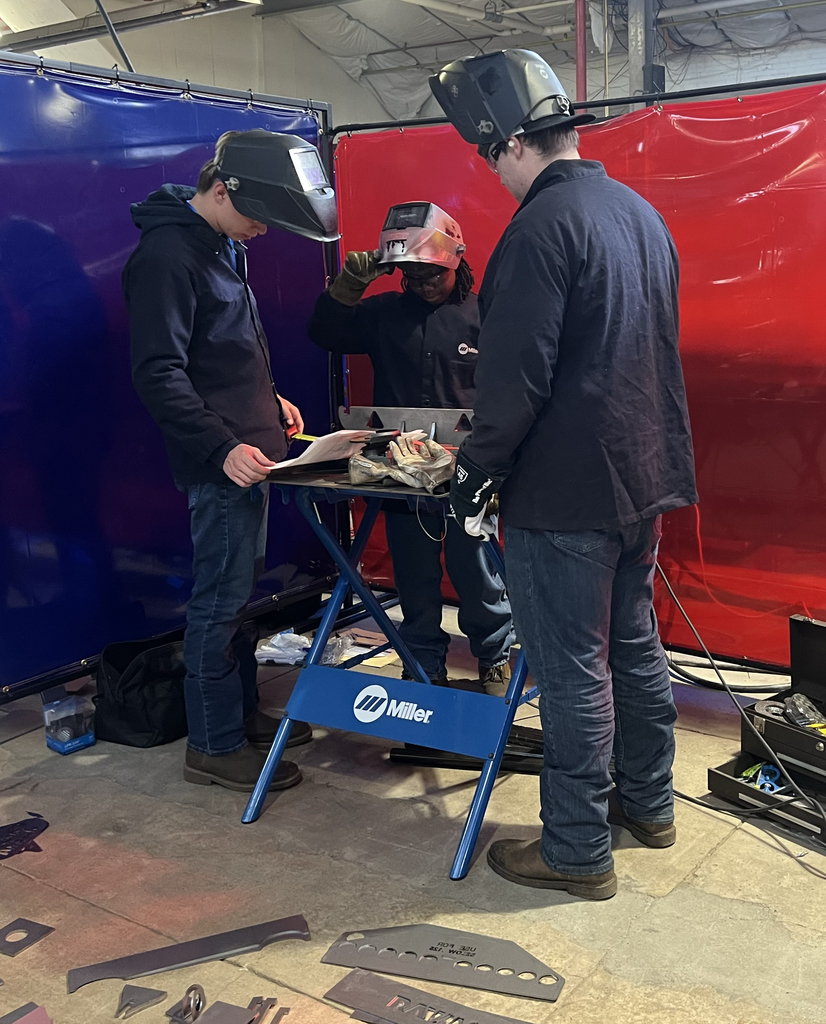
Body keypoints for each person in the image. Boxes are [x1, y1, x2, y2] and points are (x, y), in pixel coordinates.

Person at [432, 50, 698, 899]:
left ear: (512, 141)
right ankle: (647, 807)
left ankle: (578, 851)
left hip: (564, 493)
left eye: (488, 157)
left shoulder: (540, 229)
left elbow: (515, 381)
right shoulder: (639, 214)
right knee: (634, 647)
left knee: (575, 669)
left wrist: (473, 473)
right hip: (639, 477)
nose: (493, 174)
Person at [123, 129, 338, 792]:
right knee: (219, 601)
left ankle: (240, 717)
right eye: (257, 218)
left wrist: (268, 402)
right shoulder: (166, 256)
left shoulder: (221, 244)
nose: (263, 232)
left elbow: (218, 349)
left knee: (239, 598)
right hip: (223, 465)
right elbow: (159, 374)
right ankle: (213, 745)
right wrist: (223, 446)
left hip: (253, 452)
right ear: (220, 191)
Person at [308, 203, 515, 694]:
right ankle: (422, 666)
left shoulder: (488, 315)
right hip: (402, 471)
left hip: (472, 472)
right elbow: (324, 334)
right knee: (415, 576)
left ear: (455, 262)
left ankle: (493, 659)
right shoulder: (382, 315)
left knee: (478, 571)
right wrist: (349, 287)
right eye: (413, 274)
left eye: (432, 274)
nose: (423, 283)